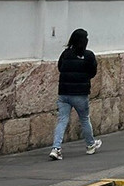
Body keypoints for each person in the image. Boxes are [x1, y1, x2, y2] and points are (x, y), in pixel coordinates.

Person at [49, 28, 101, 160]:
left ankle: (56, 148)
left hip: (64, 93)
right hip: (80, 93)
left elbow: (60, 67)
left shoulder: (65, 54)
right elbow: (92, 72)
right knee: (84, 119)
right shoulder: (88, 55)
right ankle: (90, 145)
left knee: (62, 120)